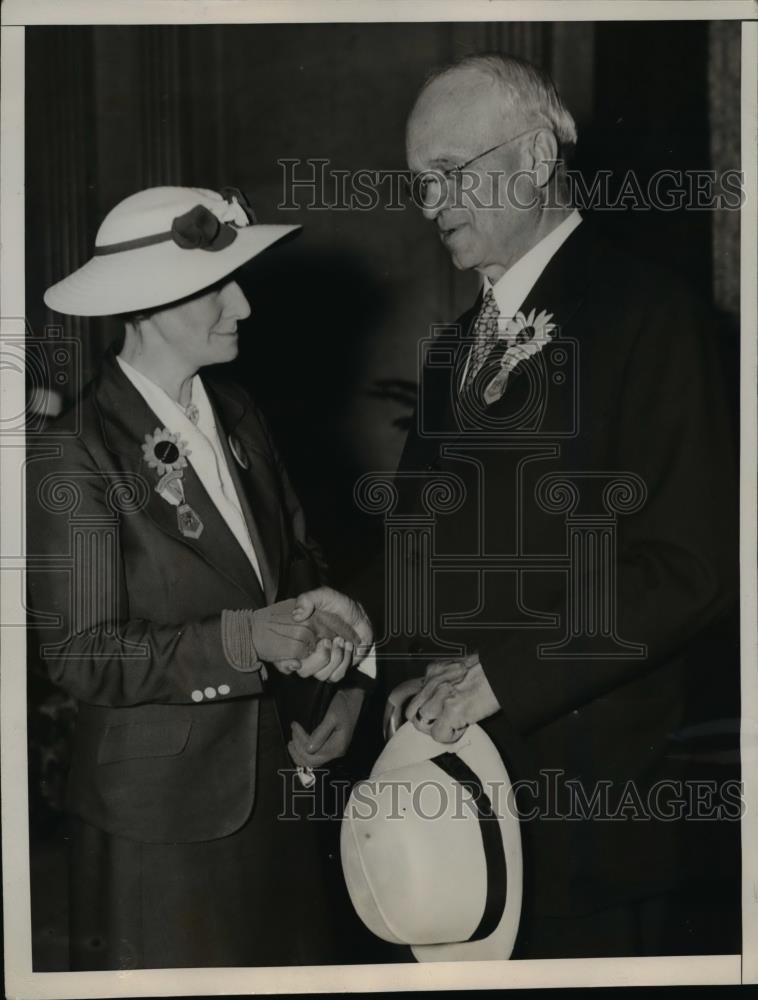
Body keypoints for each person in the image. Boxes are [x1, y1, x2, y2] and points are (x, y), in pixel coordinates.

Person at [376, 53, 739, 957]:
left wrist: (499, 678)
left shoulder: (651, 315)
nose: (431, 204)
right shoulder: (451, 350)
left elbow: (689, 569)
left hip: (593, 815)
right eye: (420, 183)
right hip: (450, 808)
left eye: (451, 173)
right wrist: (387, 671)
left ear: (536, 156)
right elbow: (425, 552)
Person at [27, 185, 372, 970]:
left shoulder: (242, 412)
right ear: (143, 304)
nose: (243, 304)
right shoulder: (75, 450)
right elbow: (82, 655)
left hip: (282, 794)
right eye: (216, 286)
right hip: (160, 829)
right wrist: (247, 639)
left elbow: (299, 568)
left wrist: (336, 677)